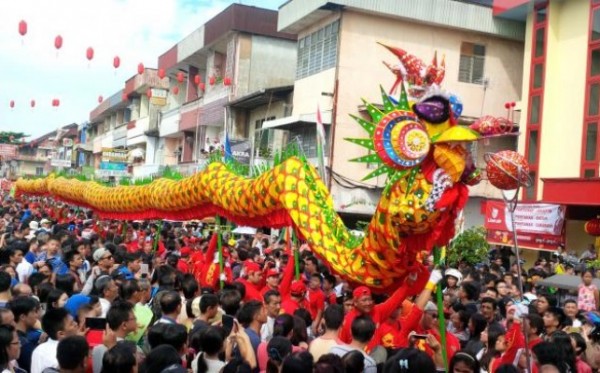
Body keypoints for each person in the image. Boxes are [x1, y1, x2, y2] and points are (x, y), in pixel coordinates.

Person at [91, 301, 138, 373]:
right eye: (134, 318)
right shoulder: (134, 350)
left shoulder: (96, 349)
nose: (136, 320)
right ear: (124, 325)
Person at [30, 308, 79, 373]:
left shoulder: (38, 350)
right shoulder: (65, 356)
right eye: (71, 324)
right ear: (61, 334)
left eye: (74, 321)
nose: (76, 324)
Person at [9, 296, 41, 372]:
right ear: (23, 317)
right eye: (34, 312)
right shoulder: (24, 345)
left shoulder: (16, 337)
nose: (36, 315)